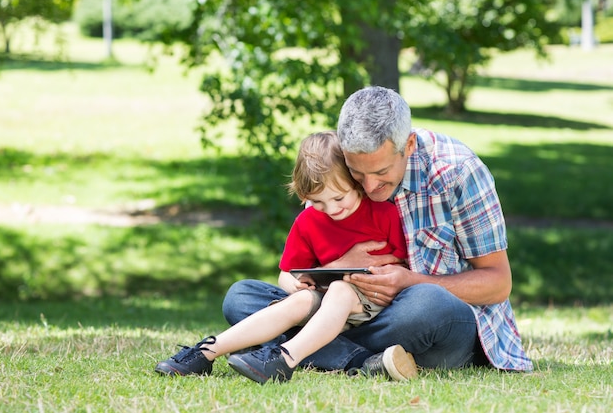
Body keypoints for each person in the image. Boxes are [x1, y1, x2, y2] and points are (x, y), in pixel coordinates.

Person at [222, 86, 533, 377]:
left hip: (423, 322)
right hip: (343, 314)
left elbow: (498, 283)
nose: (369, 186)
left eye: (382, 172)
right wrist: (336, 269)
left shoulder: (458, 172)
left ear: (408, 145)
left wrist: (410, 282)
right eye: (358, 173)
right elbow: (301, 275)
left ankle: (294, 346)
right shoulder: (337, 166)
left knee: (427, 304)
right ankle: (367, 362)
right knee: (242, 297)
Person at [154, 130, 417, 383]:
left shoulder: (385, 213)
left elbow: (406, 265)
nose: (331, 209)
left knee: (339, 290)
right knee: (274, 297)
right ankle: (204, 352)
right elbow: (287, 274)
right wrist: (296, 284)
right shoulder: (308, 221)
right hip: (324, 303)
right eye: (318, 202)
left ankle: (284, 357)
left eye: (338, 198)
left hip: (372, 304)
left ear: (356, 183)